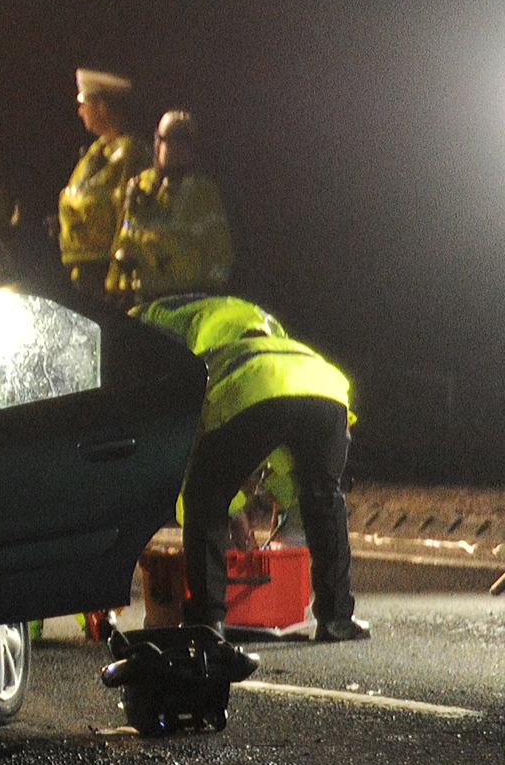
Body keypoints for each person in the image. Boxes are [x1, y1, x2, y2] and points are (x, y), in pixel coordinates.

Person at [138, 294, 366, 640]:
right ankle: (337, 620)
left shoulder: (171, 353)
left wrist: (235, 511)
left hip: (255, 387)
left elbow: (193, 470)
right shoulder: (261, 326)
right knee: (325, 498)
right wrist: (283, 500)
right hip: (329, 388)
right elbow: (283, 443)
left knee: (205, 499)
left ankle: (206, 621)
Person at [108, 110, 234, 307]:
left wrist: (209, 297)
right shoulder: (141, 184)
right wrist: (116, 284)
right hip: (140, 297)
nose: (157, 145)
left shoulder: (202, 192)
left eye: (164, 139)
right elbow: (126, 236)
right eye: (157, 138)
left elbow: (219, 252)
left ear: (186, 146)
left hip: (182, 299)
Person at [57, 68, 147, 298]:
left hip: (107, 272)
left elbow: (129, 215)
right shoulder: (94, 154)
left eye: (84, 102)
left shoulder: (131, 154)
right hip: (81, 269)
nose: (80, 111)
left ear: (103, 105)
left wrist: (118, 274)